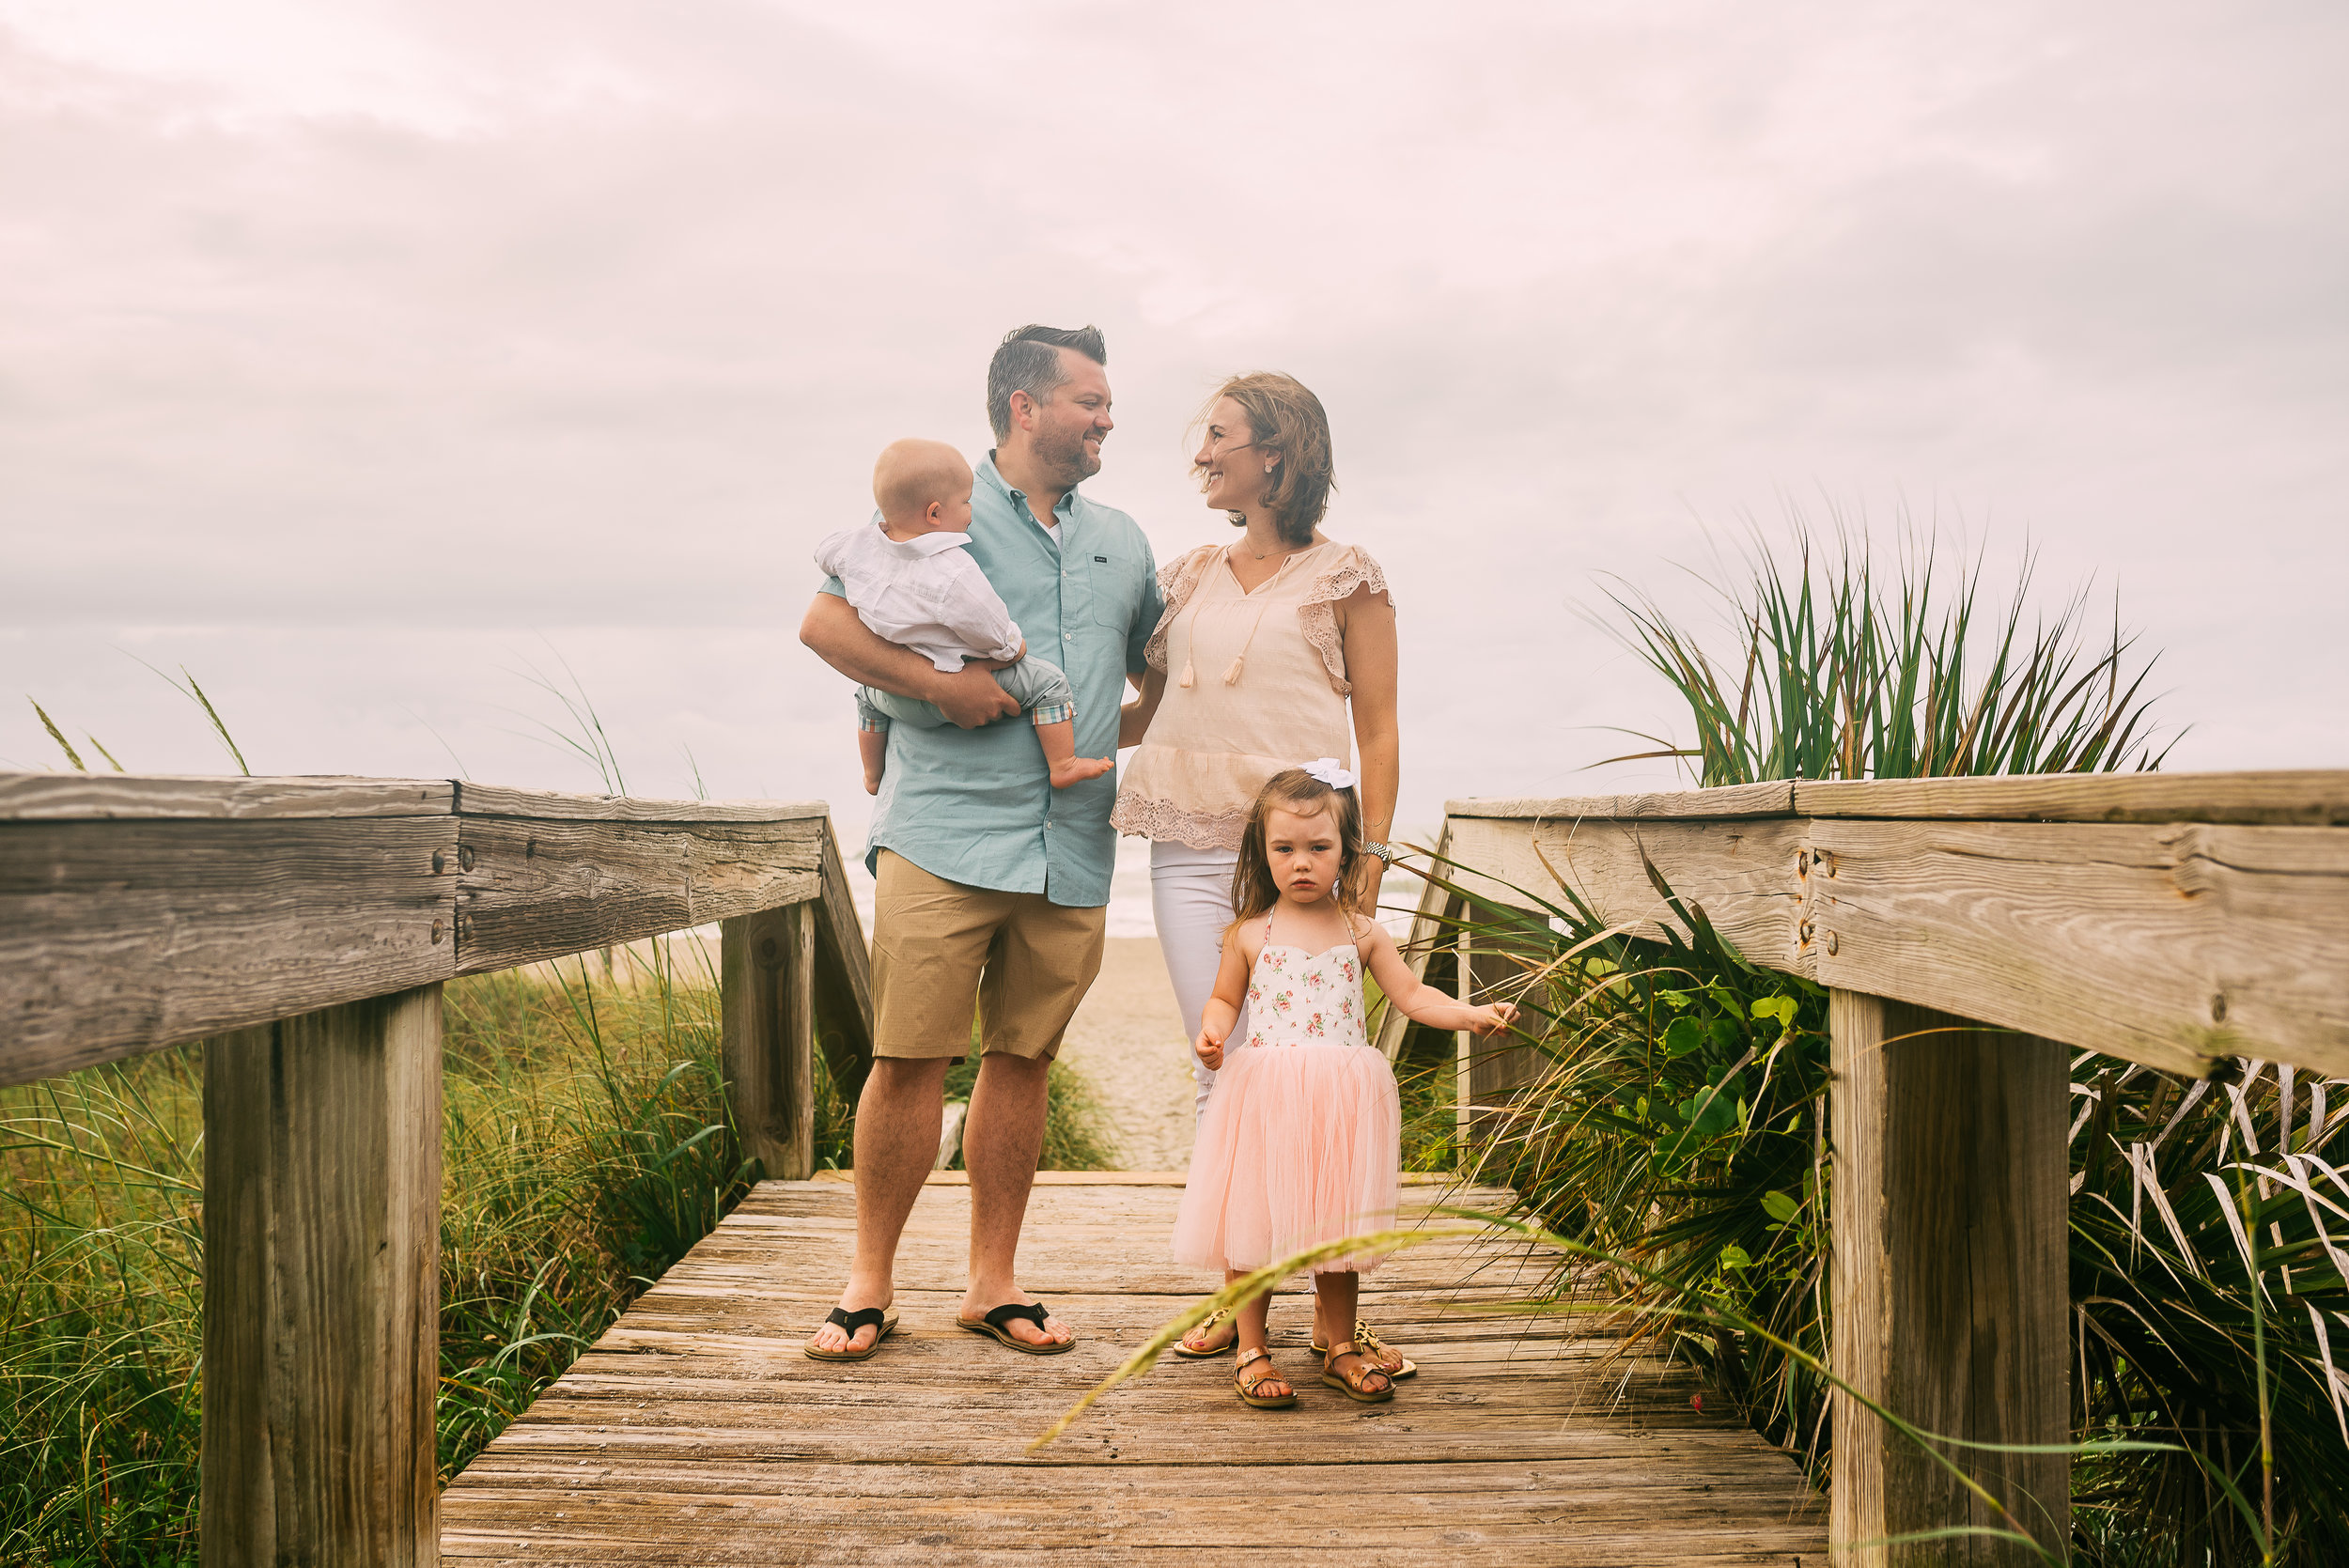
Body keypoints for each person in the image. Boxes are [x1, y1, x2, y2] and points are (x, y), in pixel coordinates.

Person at [798, 324, 1162, 1361]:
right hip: (942, 833)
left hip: (1073, 841)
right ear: (1024, 406)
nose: (1104, 419)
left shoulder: (1124, 540)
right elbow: (826, 628)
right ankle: (868, 1283)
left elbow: (1160, 675)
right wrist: (940, 686)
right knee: (908, 1055)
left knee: (1024, 1059)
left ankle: (990, 1282)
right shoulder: (932, 510)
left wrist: (1119, 737)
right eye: (1089, 400)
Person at [1113, 371, 1416, 1374]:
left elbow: (1376, 728)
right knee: (1222, 1067)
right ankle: (1239, 1298)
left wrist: (1366, 858)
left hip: (1296, 853)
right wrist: (1001, 723)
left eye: (1219, 437)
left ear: (1276, 455)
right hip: (1189, 849)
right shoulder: (1187, 572)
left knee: (1305, 1065)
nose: (1200, 453)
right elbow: (1147, 711)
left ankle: (1325, 1316)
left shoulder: (1347, 577)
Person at [1168, 766, 1517, 1408]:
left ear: (1347, 852)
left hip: (1340, 1102)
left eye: (1318, 848)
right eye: (1284, 848)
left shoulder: (1363, 932)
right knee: (1256, 1219)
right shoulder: (1250, 933)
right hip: (1268, 1094)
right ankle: (1251, 1346)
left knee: (1337, 1226)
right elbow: (1223, 999)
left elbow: (1412, 995)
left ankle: (1340, 1348)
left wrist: (1470, 1013)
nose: (1301, 862)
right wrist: (1212, 1035)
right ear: (1262, 851)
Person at [816, 437, 1114, 795]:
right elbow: (986, 623)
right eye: (966, 502)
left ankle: (871, 774)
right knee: (1049, 683)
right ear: (935, 514)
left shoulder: (858, 546)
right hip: (958, 685)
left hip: (896, 695)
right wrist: (1012, 648)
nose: (972, 511)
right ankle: (1063, 764)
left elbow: (826, 552)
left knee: (866, 695)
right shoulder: (952, 570)